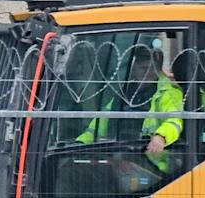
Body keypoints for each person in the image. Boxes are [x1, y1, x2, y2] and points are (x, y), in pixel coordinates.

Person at [75, 41, 185, 175]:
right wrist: (80, 144)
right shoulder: (125, 94)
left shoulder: (167, 92)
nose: (148, 72)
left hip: (154, 165)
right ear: (133, 69)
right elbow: (98, 126)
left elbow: (175, 121)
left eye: (152, 68)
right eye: (144, 68)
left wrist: (160, 137)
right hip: (121, 159)